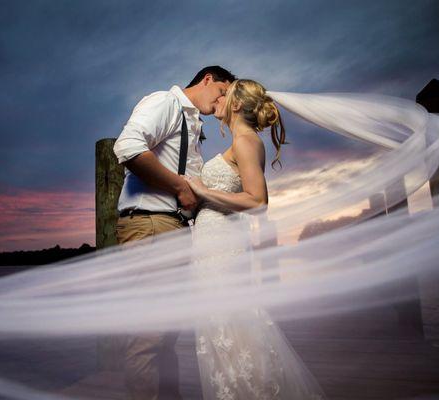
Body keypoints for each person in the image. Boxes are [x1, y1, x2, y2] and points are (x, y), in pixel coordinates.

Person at [184, 79, 325, 400]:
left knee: (232, 330)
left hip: (223, 249)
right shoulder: (240, 142)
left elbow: (258, 201)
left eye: (223, 95)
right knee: (223, 332)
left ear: (235, 105)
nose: (217, 100)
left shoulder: (246, 142)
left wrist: (204, 190)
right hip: (214, 245)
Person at [113, 66, 236, 400]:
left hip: (173, 230)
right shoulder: (166, 102)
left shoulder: (193, 124)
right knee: (148, 336)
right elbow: (127, 147)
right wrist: (181, 187)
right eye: (223, 91)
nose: (224, 100)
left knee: (166, 335)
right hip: (152, 226)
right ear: (208, 79)